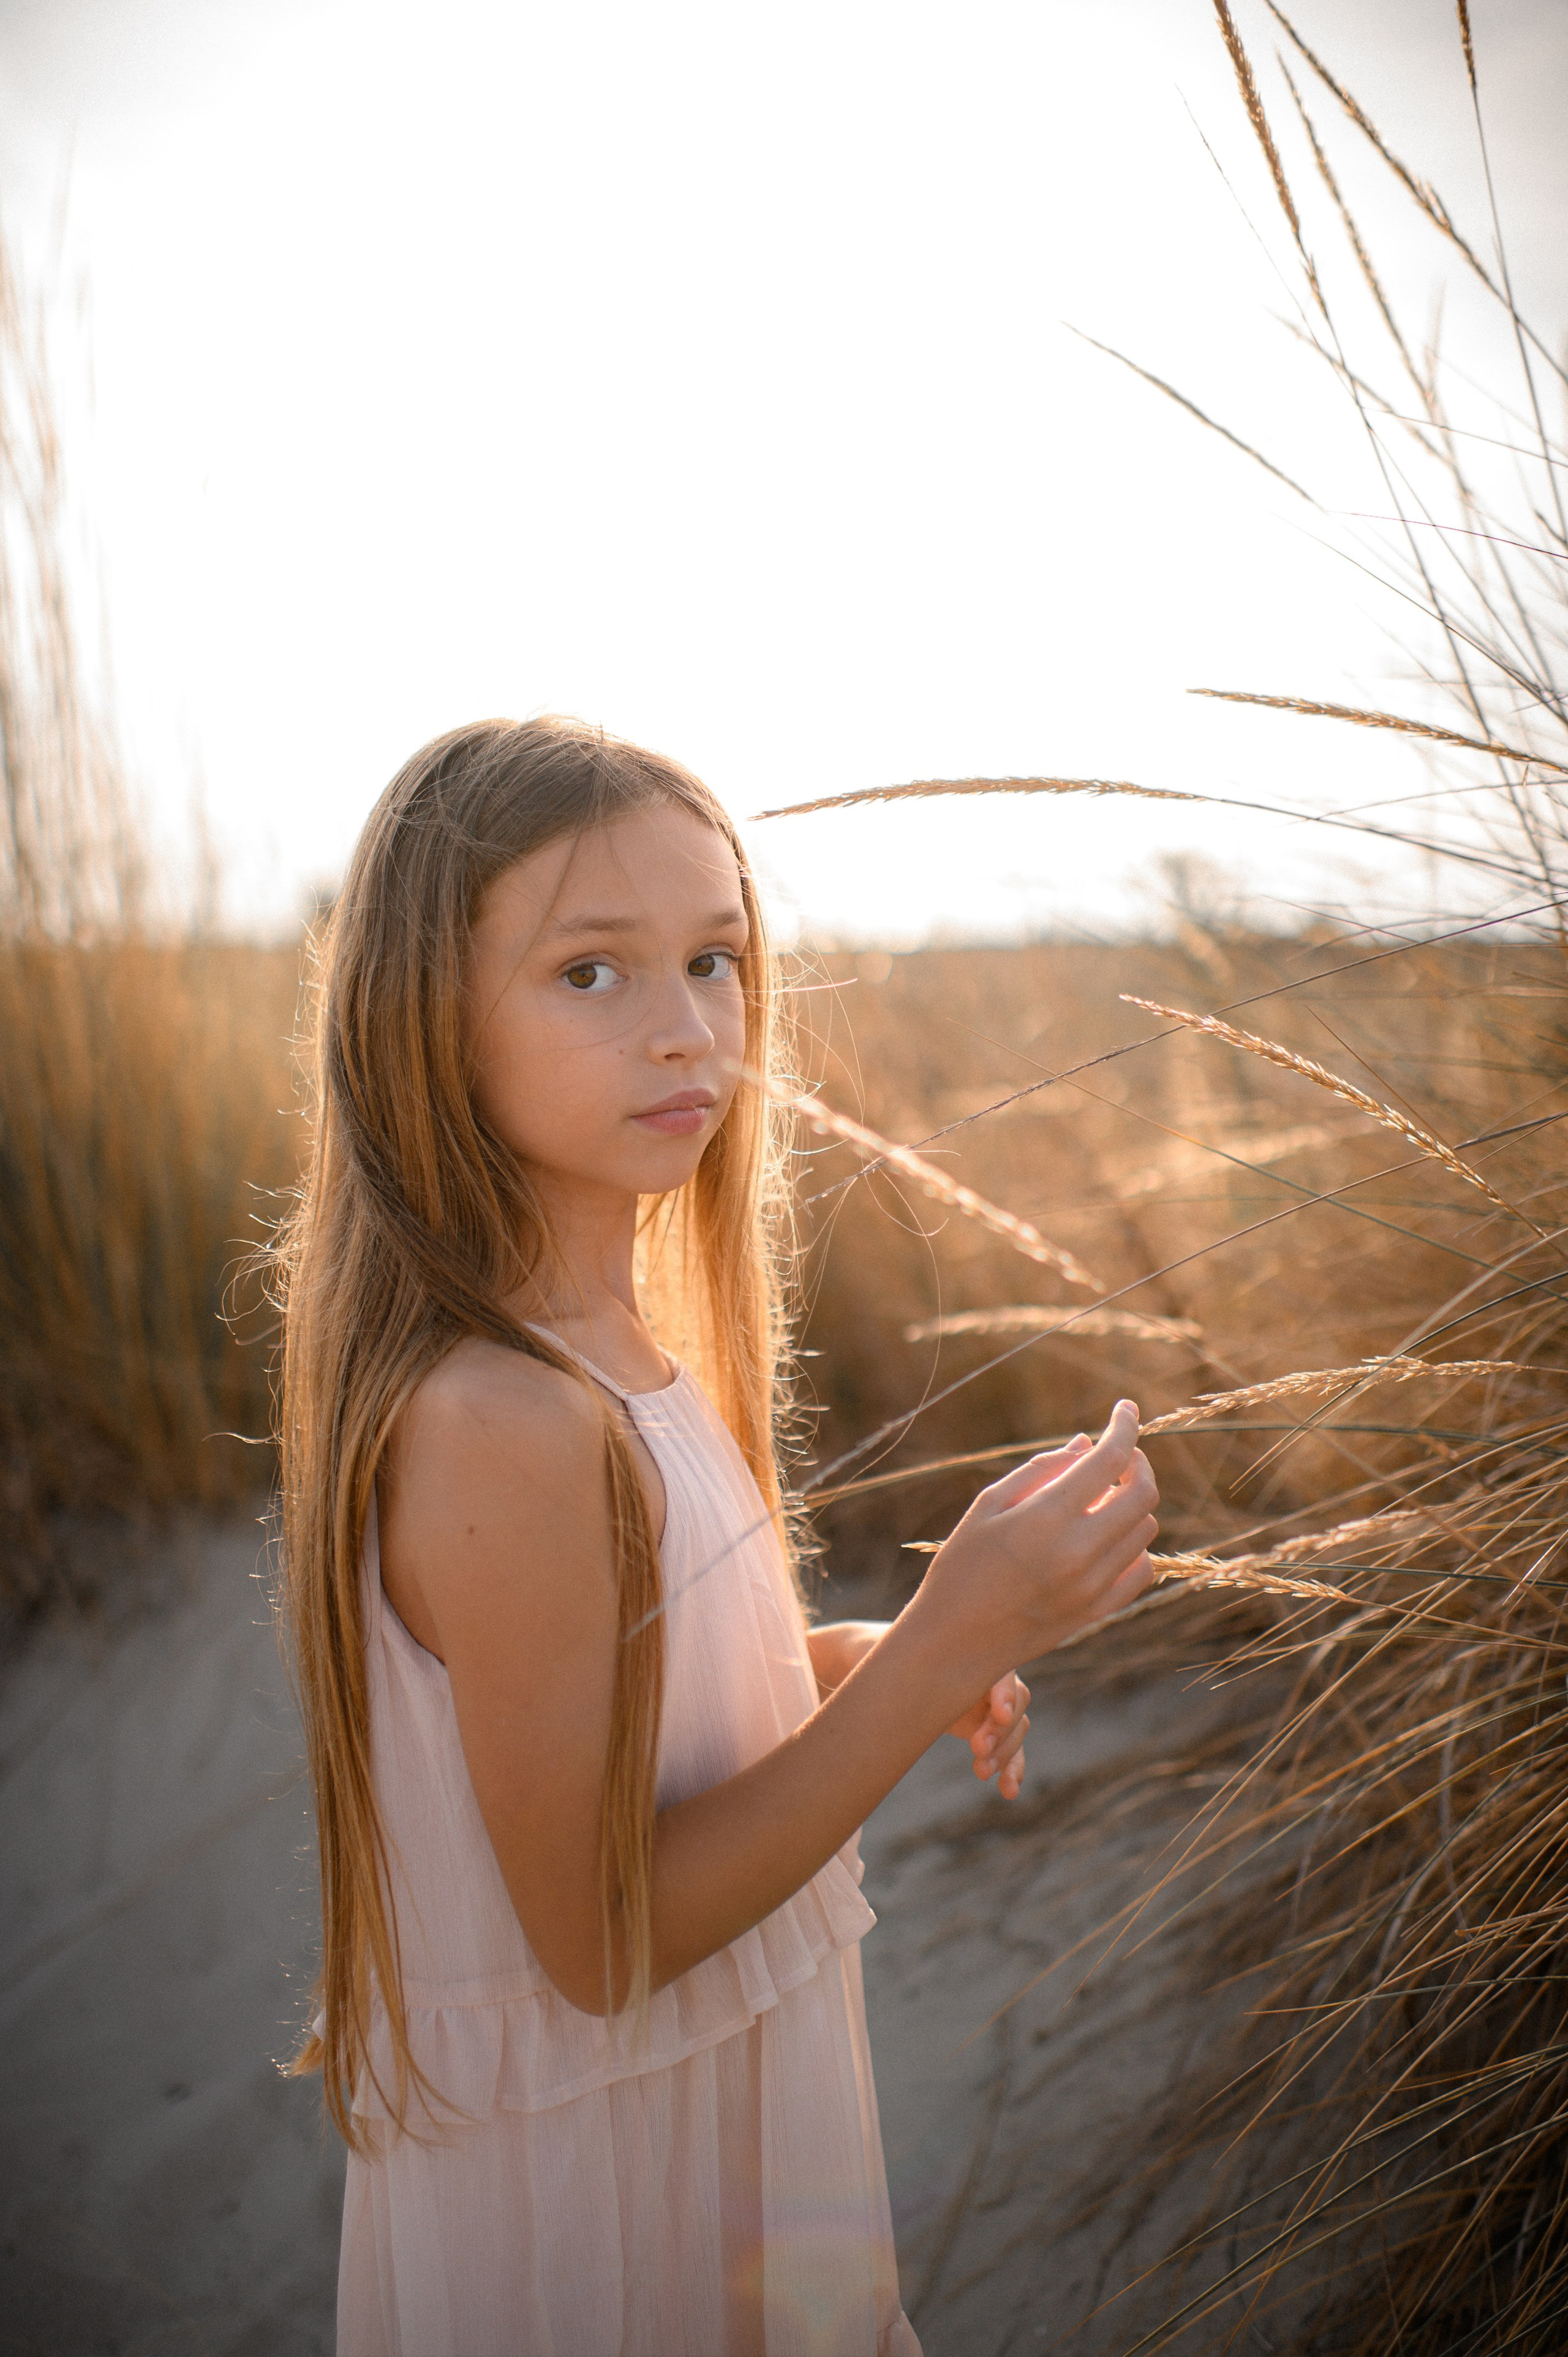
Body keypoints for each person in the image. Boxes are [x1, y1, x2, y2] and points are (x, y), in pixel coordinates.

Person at [274, 715, 1159, 2356]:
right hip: (610, 2214)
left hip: (760, 2140)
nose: (686, 1029)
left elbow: (651, 1720)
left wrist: (842, 1665)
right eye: (589, 974)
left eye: (715, 958)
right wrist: (951, 1647)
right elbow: (605, 1946)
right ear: (426, 1020)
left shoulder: (638, 1361)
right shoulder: (506, 1421)